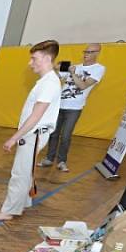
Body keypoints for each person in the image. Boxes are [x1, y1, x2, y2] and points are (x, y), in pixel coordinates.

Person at [0, 40, 62, 221]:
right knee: (26, 170)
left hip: (34, 134)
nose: (30, 63)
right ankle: (25, 201)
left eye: (34, 58)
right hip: (33, 134)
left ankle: (9, 210)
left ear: (46, 58)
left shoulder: (49, 83)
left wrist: (14, 138)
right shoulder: (45, 81)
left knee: (20, 172)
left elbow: (36, 116)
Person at [39, 43, 105, 172]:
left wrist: (73, 74)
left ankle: (62, 161)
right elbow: (56, 79)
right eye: (85, 51)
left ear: (97, 53)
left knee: (66, 136)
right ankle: (49, 158)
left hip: (74, 108)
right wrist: (54, 69)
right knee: (53, 133)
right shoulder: (73, 66)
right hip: (59, 105)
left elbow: (83, 86)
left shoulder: (99, 69)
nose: (86, 54)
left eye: (90, 52)